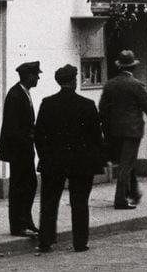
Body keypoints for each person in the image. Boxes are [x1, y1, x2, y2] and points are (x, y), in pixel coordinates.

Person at [34, 64, 105, 254]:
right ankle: (80, 243)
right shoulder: (87, 105)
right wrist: (98, 160)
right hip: (81, 163)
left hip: (53, 161)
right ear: (73, 81)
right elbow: (96, 137)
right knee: (80, 202)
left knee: (49, 202)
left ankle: (46, 241)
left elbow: (39, 135)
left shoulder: (48, 103)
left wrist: (45, 157)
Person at [99, 50, 147, 210]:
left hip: (114, 132)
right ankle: (120, 199)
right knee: (126, 164)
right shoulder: (136, 85)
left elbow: (102, 109)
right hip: (132, 131)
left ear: (119, 66)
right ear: (132, 67)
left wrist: (106, 129)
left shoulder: (110, 85)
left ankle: (133, 192)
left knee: (126, 161)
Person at [0, 60, 40, 237]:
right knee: (20, 186)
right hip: (19, 151)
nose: (38, 78)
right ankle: (18, 225)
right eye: (36, 75)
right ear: (29, 76)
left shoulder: (23, 93)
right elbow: (13, 127)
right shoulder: (15, 95)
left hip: (24, 149)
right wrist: (29, 137)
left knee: (29, 185)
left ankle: (26, 221)